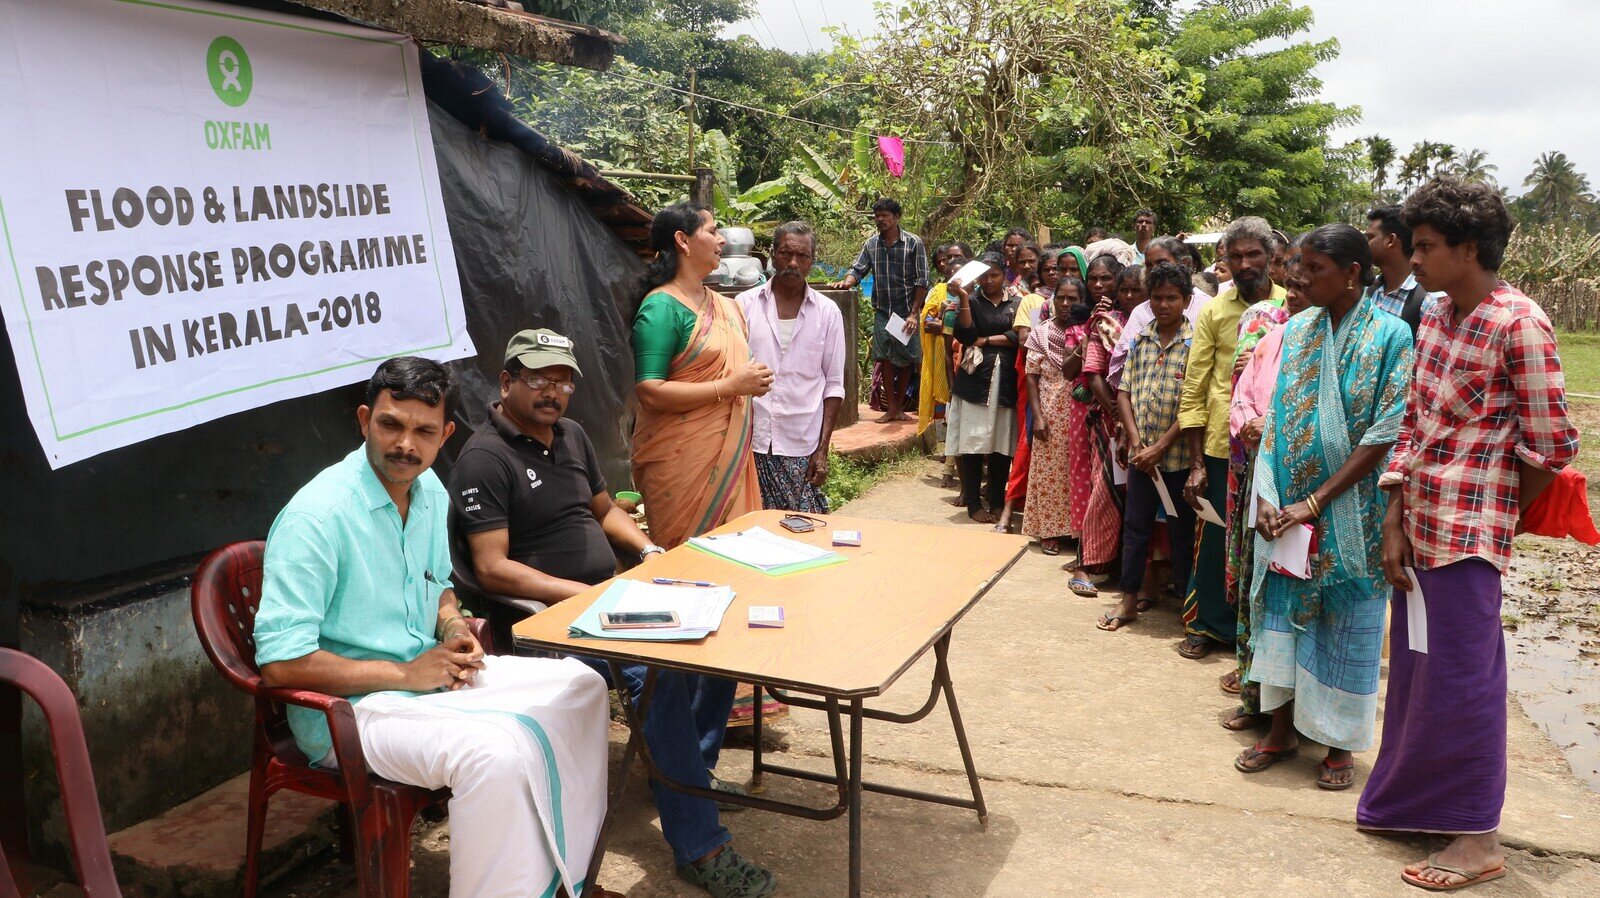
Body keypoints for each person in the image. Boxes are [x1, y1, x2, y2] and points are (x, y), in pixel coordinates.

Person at [253, 358, 611, 898]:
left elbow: (438, 585)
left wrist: (450, 627)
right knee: (497, 755)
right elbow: (280, 662)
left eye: (424, 431)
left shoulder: (430, 493)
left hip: (423, 682)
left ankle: (564, 879)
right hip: (347, 715)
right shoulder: (317, 517)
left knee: (584, 685)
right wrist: (405, 674)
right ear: (363, 419)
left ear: (445, 434)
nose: (406, 445)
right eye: (391, 425)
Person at [448, 333, 774, 898]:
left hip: (604, 601)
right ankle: (701, 846)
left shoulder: (570, 436)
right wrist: (573, 593)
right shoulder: (484, 458)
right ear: (506, 382)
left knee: (716, 629)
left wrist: (649, 552)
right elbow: (492, 568)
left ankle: (682, 772)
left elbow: (603, 510)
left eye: (564, 379)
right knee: (656, 675)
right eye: (538, 378)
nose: (554, 391)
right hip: (543, 624)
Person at [1361, 177, 1579, 891]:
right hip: (1418, 528)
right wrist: (1395, 517)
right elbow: (1413, 423)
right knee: (1420, 675)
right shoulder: (1436, 317)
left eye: (1426, 247)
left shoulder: (1521, 323)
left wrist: (1495, 519)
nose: (1412, 259)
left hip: (1470, 539)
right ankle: (1416, 804)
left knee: (1464, 683)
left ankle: (1476, 837)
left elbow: (1552, 447)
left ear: (1469, 247)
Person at [1233, 224, 1414, 793]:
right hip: (1288, 509)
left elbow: (1387, 429)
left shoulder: (1391, 336)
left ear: (1353, 273)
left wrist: (1317, 500)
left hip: (1351, 510)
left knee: (1346, 618)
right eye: (1298, 266)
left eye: (1313, 268)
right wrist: (1268, 494)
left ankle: (1338, 742)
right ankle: (1281, 728)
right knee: (1283, 611)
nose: (1298, 277)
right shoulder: (1300, 329)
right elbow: (1279, 417)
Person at [1175, 216, 1287, 660]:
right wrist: (1197, 460)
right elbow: (1195, 383)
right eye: (1234, 256)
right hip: (1222, 444)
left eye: (1252, 254)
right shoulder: (1215, 312)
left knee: (1262, 539)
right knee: (1216, 539)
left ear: (1270, 257)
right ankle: (1208, 625)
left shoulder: (1292, 305)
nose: (1243, 264)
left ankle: (1256, 636)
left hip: (1275, 445)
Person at [632, 203, 771, 549]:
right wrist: (730, 386)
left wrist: (752, 380)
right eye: (712, 231)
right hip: (681, 463)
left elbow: (737, 367)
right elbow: (649, 391)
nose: (721, 240)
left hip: (730, 455)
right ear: (683, 240)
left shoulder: (727, 306)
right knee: (687, 563)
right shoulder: (662, 307)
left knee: (737, 555)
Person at [1219, 253, 1311, 729]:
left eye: (1303, 286)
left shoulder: (1335, 347)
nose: (1293, 295)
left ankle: (1301, 718)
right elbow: (1242, 394)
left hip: (1311, 491)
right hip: (1260, 480)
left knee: (1299, 597)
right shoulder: (1271, 338)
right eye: (1289, 286)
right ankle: (1257, 701)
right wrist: (1248, 424)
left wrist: (1269, 423)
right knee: (1258, 591)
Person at [1098, 261, 1197, 631]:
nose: (1163, 304)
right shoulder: (1140, 339)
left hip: (1179, 458)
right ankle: (1128, 602)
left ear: (1186, 300)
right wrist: (1137, 439)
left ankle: (1189, 614)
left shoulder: (1196, 342)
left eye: (1172, 297)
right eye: (1157, 297)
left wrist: (1161, 446)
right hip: (1141, 457)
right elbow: (1124, 392)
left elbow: (1194, 404)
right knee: (1135, 528)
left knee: (1181, 534)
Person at [737, 221, 847, 515]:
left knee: (803, 531)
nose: (793, 263)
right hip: (751, 442)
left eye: (803, 257)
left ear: (812, 260)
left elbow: (834, 384)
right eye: (786, 254)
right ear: (773, 254)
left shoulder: (827, 313)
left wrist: (822, 449)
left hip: (802, 444)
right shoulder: (744, 305)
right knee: (751, 531)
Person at [829, 198, 930, 424]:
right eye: (877, 216)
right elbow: (858, 269)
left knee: (906, 359)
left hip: (906, 311)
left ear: (896, 217)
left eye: (885, 215)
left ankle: (901, 407)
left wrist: (914, 313)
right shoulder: (872, 244)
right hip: (884, 311)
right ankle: (892, 409)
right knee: (884, 358)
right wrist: (846, 282)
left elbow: (922, 279)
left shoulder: (913, 243)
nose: (880, 219)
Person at [947, 252, 1021, 523]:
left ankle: (998, 502)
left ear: (1005, 275)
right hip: (976, 380)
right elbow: (965, 335)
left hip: (1006, 382)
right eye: (984, 276)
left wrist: (987, 339)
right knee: (974, 443)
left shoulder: (1017, 301)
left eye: (995, 275)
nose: (989, 281)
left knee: (1002, 445)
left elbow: (1019, 336)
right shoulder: (972, 301)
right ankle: (974, 503)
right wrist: (964, 299)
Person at [1021, 276, 1087, 554]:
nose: (1065, 303)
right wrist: (1037, 417)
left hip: (1080, 409)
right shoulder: (1041, 333)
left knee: (1078, 470)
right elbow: (1031, 378)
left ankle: (1076, 530)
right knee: (1049, 473)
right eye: (1061, 297)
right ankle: (1048, 531)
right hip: (1050, 408)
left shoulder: (1087, 332)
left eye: (1072, 298)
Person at [994, 242, 1049, 533]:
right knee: (1027, 444)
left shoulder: (1075, 298)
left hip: (1067, 385)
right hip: (1035, 379)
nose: (1052, 274)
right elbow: (1025, 340)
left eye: (1060, 269)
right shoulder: (1031, 301)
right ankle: (1010, 506)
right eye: (1052, 269)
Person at [921, 243, 973, 492]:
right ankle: (949, 472)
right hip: (959, 373)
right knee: (955, 424)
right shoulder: (950, 311)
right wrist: (952, 382)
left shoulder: (978, 304)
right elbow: (945, 349)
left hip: (979, 374)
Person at [1365, 204, 1436, 336]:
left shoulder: (1428, 301)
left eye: (1370, 237)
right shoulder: (1369, 291)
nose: (1365, 244)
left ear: (1390, 240)